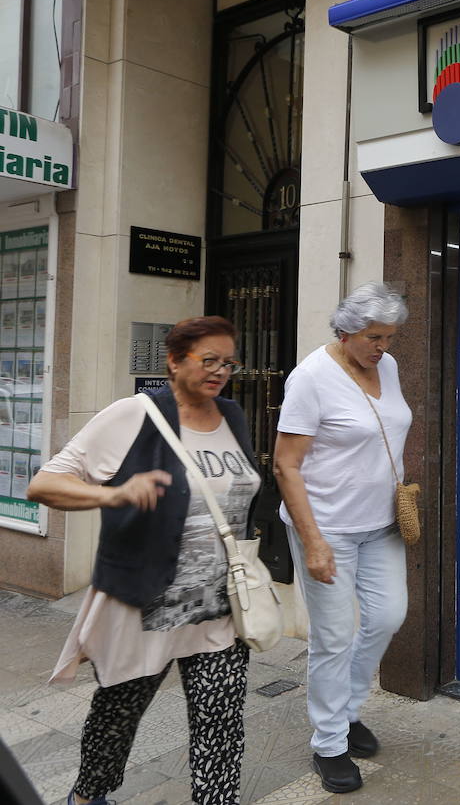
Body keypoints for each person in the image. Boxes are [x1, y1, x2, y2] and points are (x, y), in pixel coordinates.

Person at [30, 317, 261, 805]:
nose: (220, 371)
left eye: (229, 363)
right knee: (118, 715)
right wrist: (111, 495)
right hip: (145, 605)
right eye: (209, 360)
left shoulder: (232, 415)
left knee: (221, 723)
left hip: (219, 608)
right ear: (174, 361)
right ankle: (87, 796)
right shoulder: (133, 414)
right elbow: (45, 484)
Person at [274, 282, 413, 794]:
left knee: (388, 616)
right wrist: (313, 541)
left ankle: (349, 710)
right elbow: (285, 465)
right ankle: (329, 742)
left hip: (381, 524)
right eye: (374, 337)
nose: (383, 347)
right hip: (327, 526)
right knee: (332, 637)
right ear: (345, 331)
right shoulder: (311, 377)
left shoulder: (387, 367)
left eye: (389, 337)